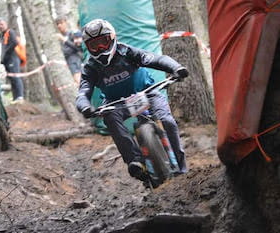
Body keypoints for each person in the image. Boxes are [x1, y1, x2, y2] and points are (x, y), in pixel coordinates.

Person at [76, 19, 188, 184]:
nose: (100, 49)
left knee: (167, 121)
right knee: (110, 117)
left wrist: (175, 68)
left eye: (104, 42)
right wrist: (85, 107)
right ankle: (135, 161)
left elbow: (154, 58)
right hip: (115, 103)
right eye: (94, 45)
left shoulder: (126, 51)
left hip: (148, 92)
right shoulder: (90, 68)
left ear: (113, 38)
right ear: (88, 47)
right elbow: (83, 92)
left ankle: (181, 168)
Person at [0, 18, 24, 102]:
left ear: (6, 24)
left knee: (16, 77)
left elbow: (15, 42)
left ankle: (20, 96)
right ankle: (15, 97)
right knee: (11, 79)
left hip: (13, 58)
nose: (0, 26)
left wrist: (7, 53)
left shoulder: (10, 32)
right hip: (7, 61)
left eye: (2, 24)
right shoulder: (2, 35)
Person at [55, 16, 83, 85]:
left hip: (75, 61)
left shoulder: (71, 33)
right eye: (57, 24)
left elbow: (78, 48)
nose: (59, 25)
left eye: (61, 23)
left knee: (80, 82)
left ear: (65, 23)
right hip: (67, 64)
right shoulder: (58, 37)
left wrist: (64, 40)